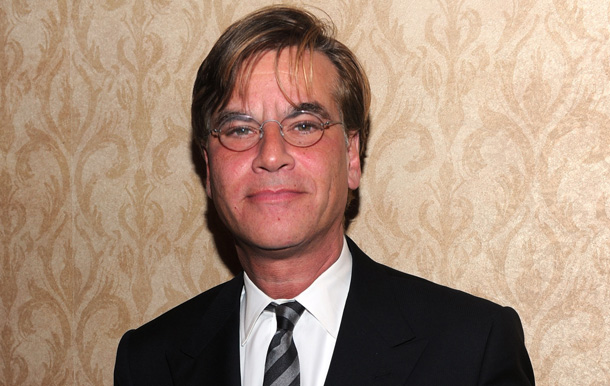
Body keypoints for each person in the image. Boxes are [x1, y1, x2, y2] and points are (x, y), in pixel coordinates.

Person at [114, 5, 535, 385]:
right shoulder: (149, 361)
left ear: (352, 155)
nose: (271, 155)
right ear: (209, 169)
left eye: (303, 125)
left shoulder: (472, 349)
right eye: (240, 129)